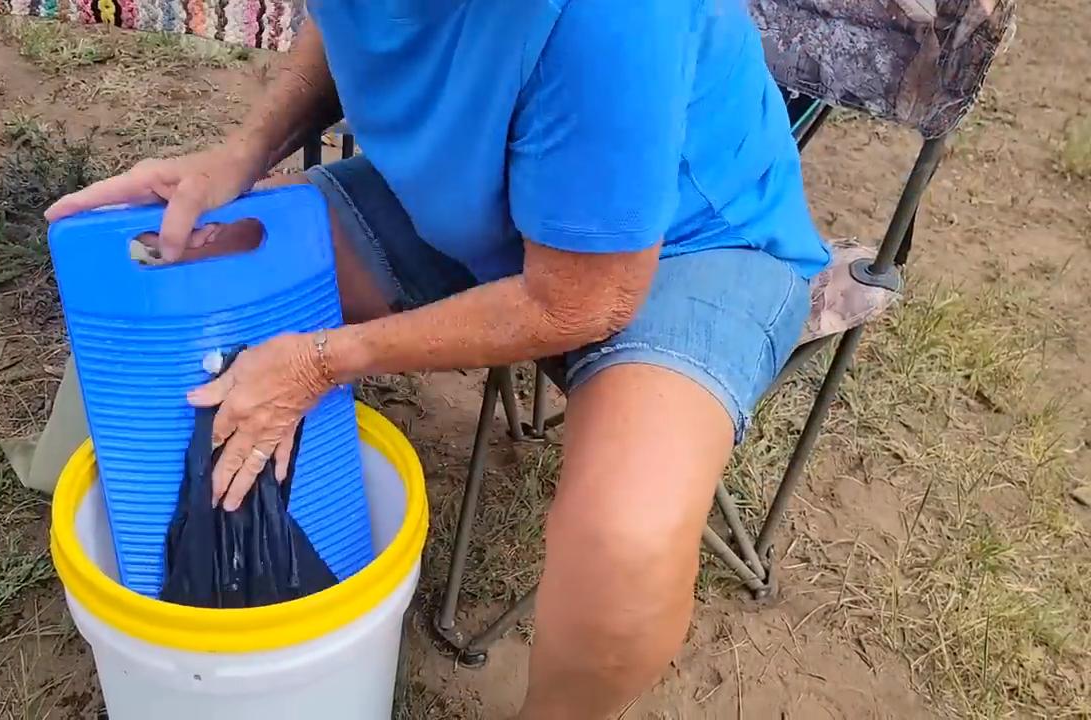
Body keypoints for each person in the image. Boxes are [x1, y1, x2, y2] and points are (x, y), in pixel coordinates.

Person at [46, 1, 830, 717]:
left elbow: (581, 302)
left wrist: (321, 359)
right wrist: (241, 155)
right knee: (186, 270)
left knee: (626, 540)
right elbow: (353, 22)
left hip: (684, 246)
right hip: (471, 197)